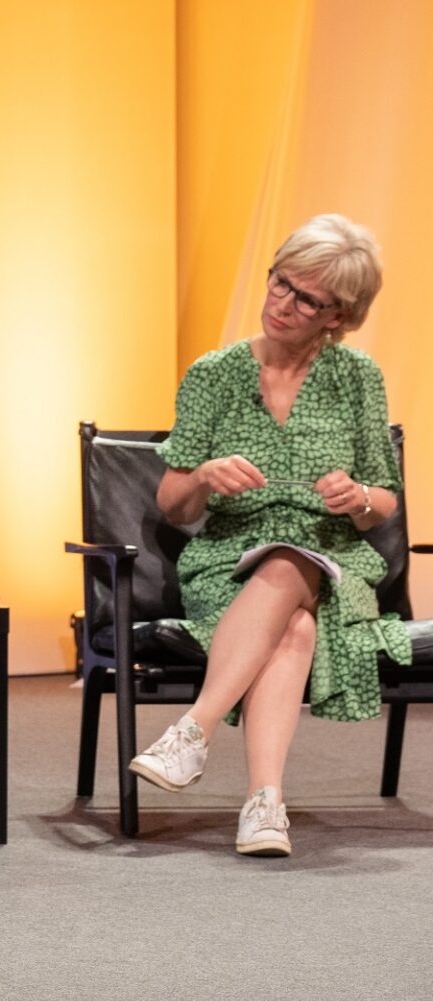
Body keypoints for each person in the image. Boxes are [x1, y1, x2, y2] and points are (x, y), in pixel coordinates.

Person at [129, 214, 406, 857]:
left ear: (337, 315)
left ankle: (193, 734)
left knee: (292, 560)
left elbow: (383, 500)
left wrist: (358, 497)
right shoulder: (213, 374)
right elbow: (172, 505)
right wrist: (203, 475)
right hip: (228, 556)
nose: (283, 303)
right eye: (282, 282)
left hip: (332, 554)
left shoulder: (356, 377)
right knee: (294, 620)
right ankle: (263, 806)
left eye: (307, 298)